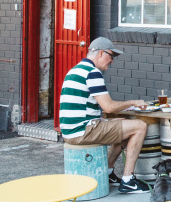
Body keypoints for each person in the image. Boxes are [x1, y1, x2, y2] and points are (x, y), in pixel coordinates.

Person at [59, 37, 150, 194]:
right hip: (83, 131)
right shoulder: (92, 73)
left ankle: (107, 172)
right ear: (101, 53)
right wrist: (133, 102)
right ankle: (128, 180)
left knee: (122, 127)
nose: (112, 61)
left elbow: (81, 109)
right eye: (111, 56)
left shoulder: (74, 70)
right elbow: (109, 107)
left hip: (71, 131)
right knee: (140, 126)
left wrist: (106, 121)